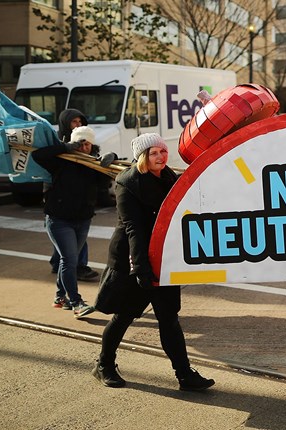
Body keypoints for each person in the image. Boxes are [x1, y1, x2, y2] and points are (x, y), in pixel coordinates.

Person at [92, 133, 215, 391]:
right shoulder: (127, 183)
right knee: (124, 316)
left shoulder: (170, 178)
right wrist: (141, 269)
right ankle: (104, 364)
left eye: (162, 151)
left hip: (164, 258)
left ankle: (185, 375)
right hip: (133, 259)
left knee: (169, 319)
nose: (160, 156)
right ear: (142, 157)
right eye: (154, 152)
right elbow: (133, 229)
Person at [33, 125, 108, 318]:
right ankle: (76, 302)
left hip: (83, 219)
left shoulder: (94, 163)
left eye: (87, 144)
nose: (84, 147)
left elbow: (103, 187)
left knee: (69, 259)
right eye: (80, 143)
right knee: (69, 260)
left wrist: (107, 164)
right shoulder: (61, 161)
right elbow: (38, 156)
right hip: (58, 219)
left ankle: (60, 297)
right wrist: (66, 147)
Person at [49, 108, 100, 283]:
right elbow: (42, 157)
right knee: (68, 239)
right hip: (60, 201)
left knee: (71, 239)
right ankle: (77, 267)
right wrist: (65, 148)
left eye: (80, 122)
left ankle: (60, 263)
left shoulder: (87, 145)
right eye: (74, 122)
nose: (78, 125)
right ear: (65, 124)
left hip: (82, 206)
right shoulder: (57, 144)